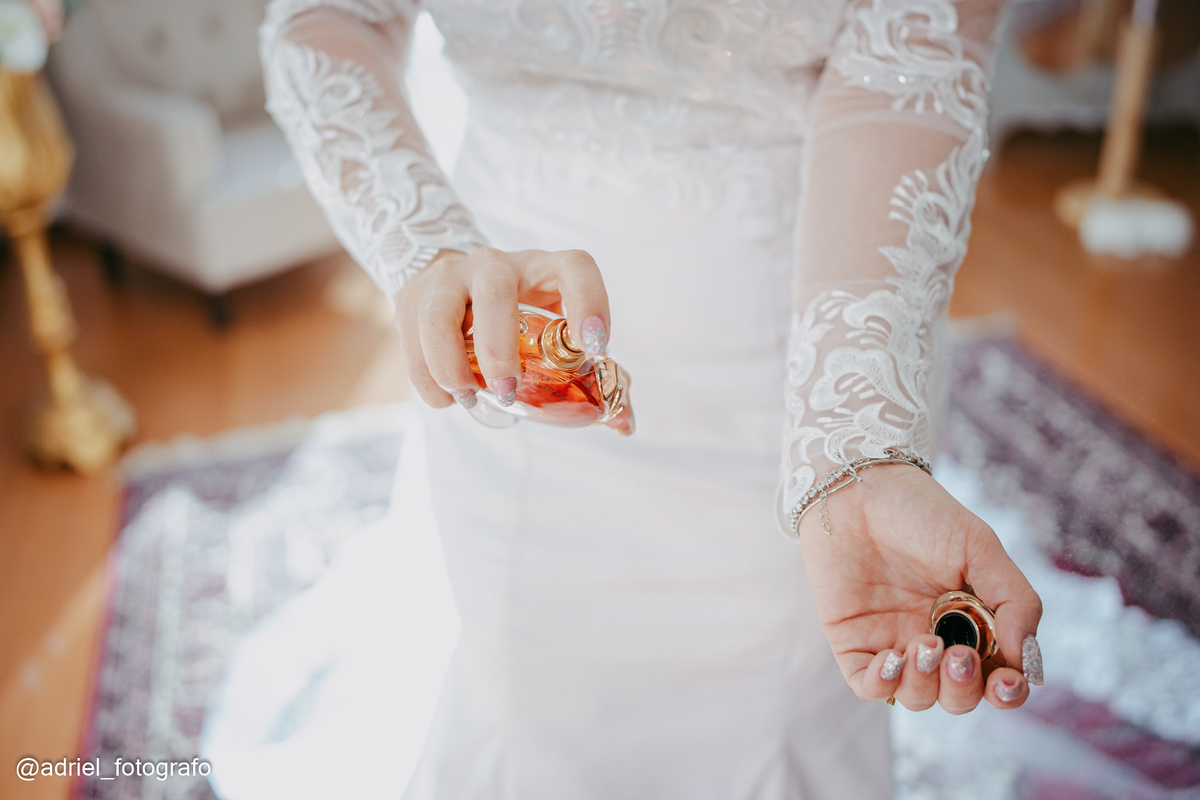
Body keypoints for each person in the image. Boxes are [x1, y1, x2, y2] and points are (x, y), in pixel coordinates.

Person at [244, 0, 1044, 795]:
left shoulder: (838, 424)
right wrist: (426, 248)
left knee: (785, 710)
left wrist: (851, 439)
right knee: (535, 697)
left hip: (804, 363)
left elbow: (910, 65)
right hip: (516, 345)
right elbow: (326, 16)